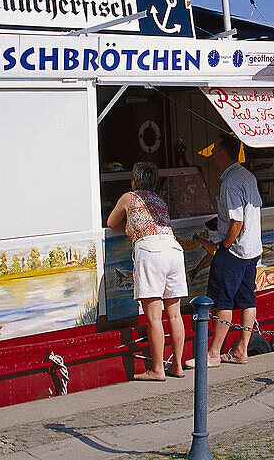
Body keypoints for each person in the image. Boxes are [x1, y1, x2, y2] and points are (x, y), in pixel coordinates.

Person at [106, 161, 188, 381]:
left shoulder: (129, 197)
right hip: (173, 248)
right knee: (175, 314)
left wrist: (127, 227)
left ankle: (157, 369)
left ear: (134, 181)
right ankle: (178, 366)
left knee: (154, 317)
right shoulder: (160, 200)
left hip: (150, 251)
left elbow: (111, 221)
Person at [195, 132, 263, 367]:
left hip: (234, 250)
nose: (213, 155)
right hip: (252, 249)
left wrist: (223, 246)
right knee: (247, 299)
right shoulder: (248, 176)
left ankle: (214, 353)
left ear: (223, 153)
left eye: (215, 151)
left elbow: (237, 222)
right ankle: (241, 349)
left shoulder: (231, 182)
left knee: (222, 301)